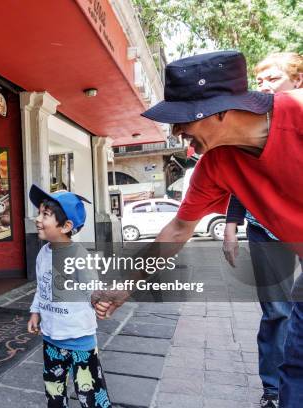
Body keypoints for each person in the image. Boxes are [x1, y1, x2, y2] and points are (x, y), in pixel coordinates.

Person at [92, 50, 302, 407]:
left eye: (183, 120)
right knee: (295, 369)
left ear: (220, 110)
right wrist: (125, 285)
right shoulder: (216, 163)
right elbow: (177, 230)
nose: (178, 133)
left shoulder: (296, 113)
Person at [222, 52, 301, 408]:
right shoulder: (252, 123)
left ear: (296, 81)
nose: (264, 86)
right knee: (278, 311)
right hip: (265, 231)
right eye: (261, 80)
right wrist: (231, 222)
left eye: (273, 79)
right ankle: (273, 390)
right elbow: (242, 176)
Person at [27, 184, 112, 408]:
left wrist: (101, 301)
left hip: (79, 340)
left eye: (45, 214)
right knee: (54, 390)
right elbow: (41, 287)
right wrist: (35, 311)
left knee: (90, 391)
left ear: (66, 226)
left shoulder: (78, 256)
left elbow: (93, 288)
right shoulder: (43, 254)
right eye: (39, 212)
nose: (37, 219)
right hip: (51, 337)